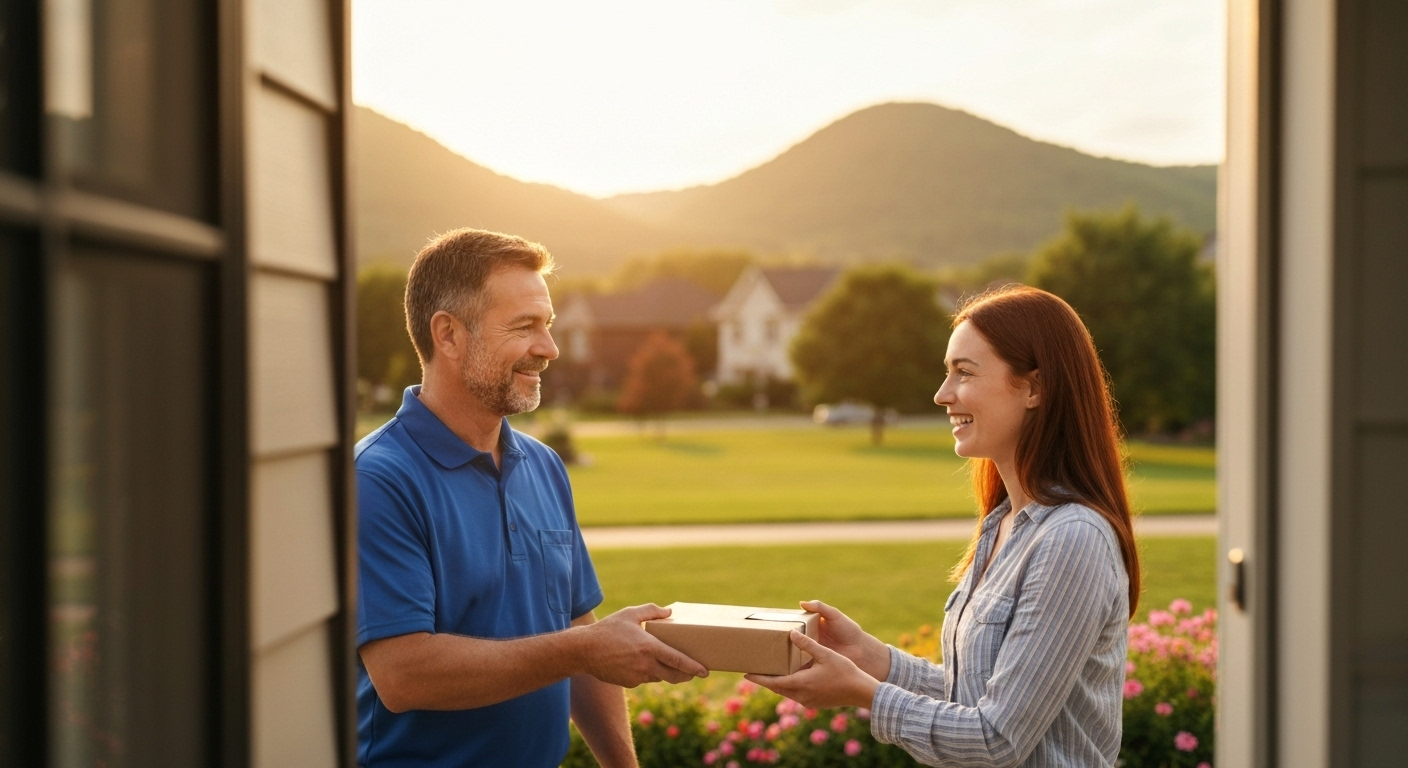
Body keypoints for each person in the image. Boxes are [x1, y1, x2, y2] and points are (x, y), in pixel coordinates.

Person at [355, 229, 708, 767]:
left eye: (547, 325)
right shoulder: (377, 479)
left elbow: (574, 625)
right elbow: (404, 675)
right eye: (525, 327)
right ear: (448, 335)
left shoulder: (542, 466)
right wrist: (585, 650)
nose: (549, 348)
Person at [748, 285, 1140, 767]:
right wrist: (872, 659)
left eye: (965, 373)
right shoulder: (1003, 526)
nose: (942, 394)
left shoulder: (1072, 539)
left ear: (1035, 388)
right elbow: (975, 700)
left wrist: (865, 693)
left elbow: (996, 740)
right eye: (946, 372)